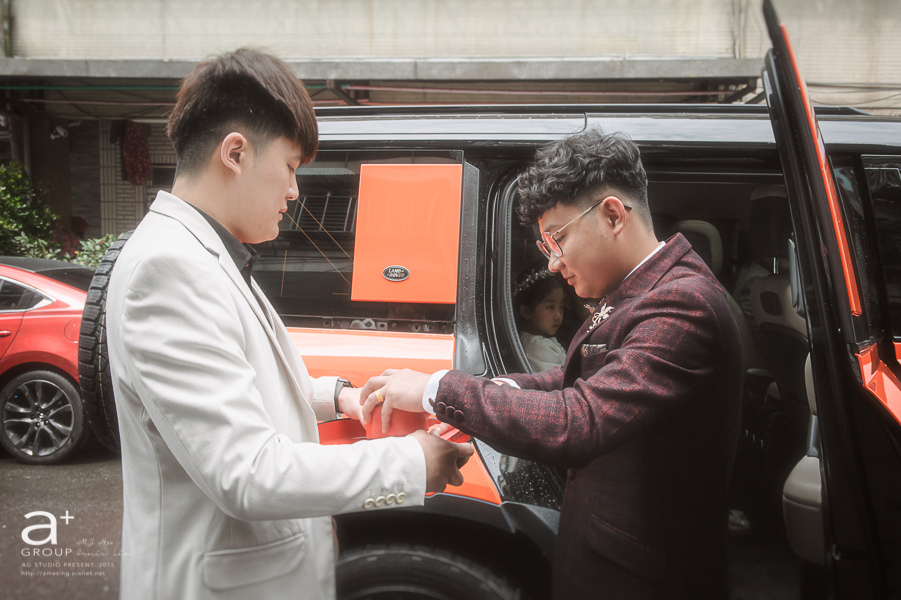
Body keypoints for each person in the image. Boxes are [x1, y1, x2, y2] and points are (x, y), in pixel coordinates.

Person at [105, 48, 472, 600]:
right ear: (235, 153)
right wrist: (413, 462)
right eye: (291, 167)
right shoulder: (169, 269)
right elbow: (248, 473)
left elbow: (242, 383)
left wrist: (340, 397)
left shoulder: (208, 252)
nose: (295, 191)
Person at [360, 129, 743, 599]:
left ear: (612, 215)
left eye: (558, 239)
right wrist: (503, 388)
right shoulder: (640, 291)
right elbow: (582, 377)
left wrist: (438, 389)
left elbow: (581, 420)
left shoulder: (682, 305)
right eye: (547, 248)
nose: (554, 264)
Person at [513, 268, 566, 372]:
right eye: (550, 307)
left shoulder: (527, 341)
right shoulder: (539, 348)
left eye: (561, 307)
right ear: (526, 311)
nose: (558, 315)